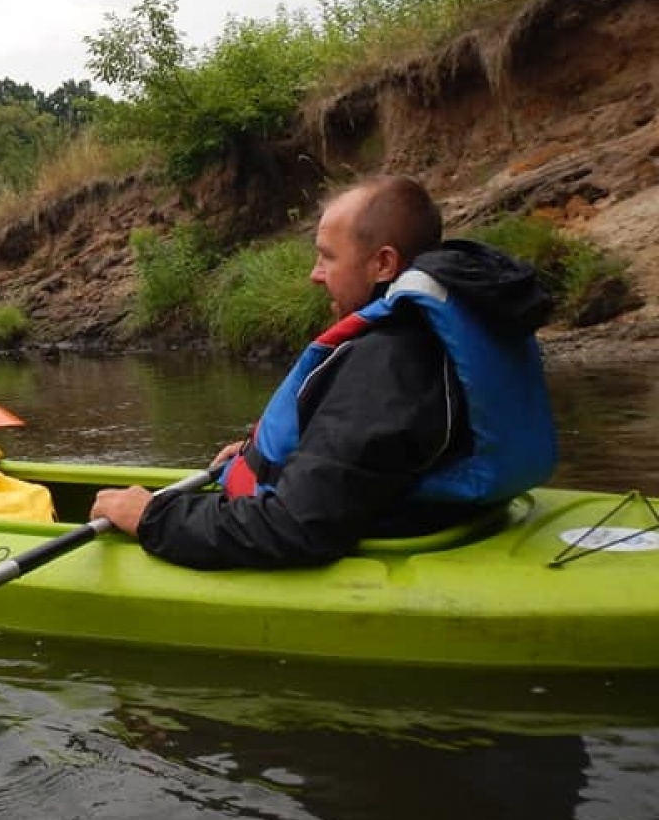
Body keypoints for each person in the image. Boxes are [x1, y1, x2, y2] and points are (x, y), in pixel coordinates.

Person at [91, 174, 559, 568]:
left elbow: (296, 528)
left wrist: (152, 516)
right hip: (455, 520)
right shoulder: (441, 327)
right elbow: (379, 448)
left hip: (384, 538)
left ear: (383, 264)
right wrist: (268, 454)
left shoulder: (388, 361)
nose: (315, 274)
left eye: (328, 257)